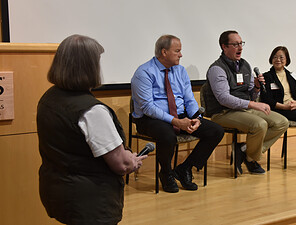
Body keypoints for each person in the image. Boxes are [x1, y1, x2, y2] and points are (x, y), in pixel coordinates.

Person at [36, 34, 147, 225]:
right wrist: (132, 161)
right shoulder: (93, 112)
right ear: (89, 67)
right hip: (90, 202)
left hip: (58, 191)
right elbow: (121, 164)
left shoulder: (48, 98)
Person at [131, 34, 224, 193]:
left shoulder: (180, 71)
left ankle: (185, 169)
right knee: (167, 136)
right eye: (177, 51)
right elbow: (147, 107)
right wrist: (175, 121)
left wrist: (196, 118)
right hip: (150, 119)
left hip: (180, 115)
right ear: (164, 52)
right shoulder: (144, 72)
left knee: (216, 131)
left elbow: (189, 99)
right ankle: (166, 173)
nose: (181, 55)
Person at [202, 30, 289, 175]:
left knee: (282, 122)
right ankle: (252, 159)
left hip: (244, 109)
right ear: (224, 47)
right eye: (235, 44)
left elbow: (252, 94)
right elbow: (223, 98)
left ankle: (245, 151)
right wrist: (252, 104)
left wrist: (256, 87)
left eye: (241, 44)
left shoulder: (245, 65)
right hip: (222, 112)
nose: (240, 48)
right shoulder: (217, 69)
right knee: (260, 124)